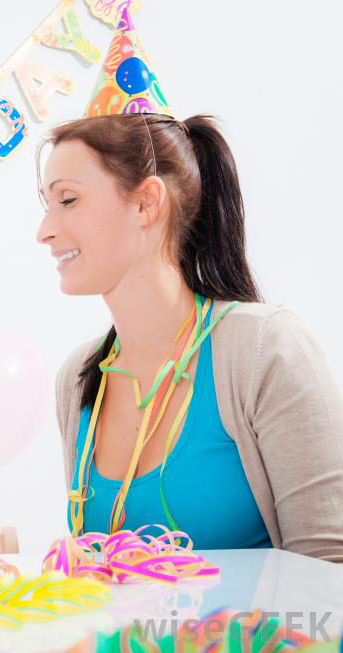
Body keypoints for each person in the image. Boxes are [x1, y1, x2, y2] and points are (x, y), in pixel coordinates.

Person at [37, 7, 343, 561]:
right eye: (46, 205)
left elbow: (331, 569)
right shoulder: (78, 380)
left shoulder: (261, 349)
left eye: (67, 200)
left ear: (147, 202)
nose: (45, 230)